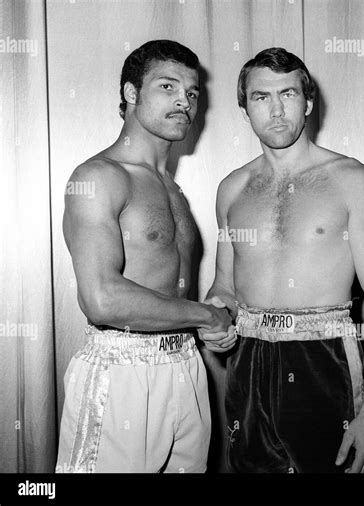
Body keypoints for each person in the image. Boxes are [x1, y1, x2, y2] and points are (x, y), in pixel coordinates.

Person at [200, 47, 364, 473]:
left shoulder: (352, 180)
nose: (275, 109)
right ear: (245, 109)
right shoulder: (231, 189)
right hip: (248, 363)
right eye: (260, 97)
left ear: (308, 102)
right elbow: (225, 288)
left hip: (324, 359)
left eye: (288, 94)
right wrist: (213, 318)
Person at [56, 40, 232, 473]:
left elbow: (165, 284)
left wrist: (208, 313)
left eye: (192, 93)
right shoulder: (99, 177)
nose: (184, 102)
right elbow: (102, 299)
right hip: (120, 371)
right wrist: (205, 317)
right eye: (167, 86)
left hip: (186, 367)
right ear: (131, 93)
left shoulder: (173, 191)